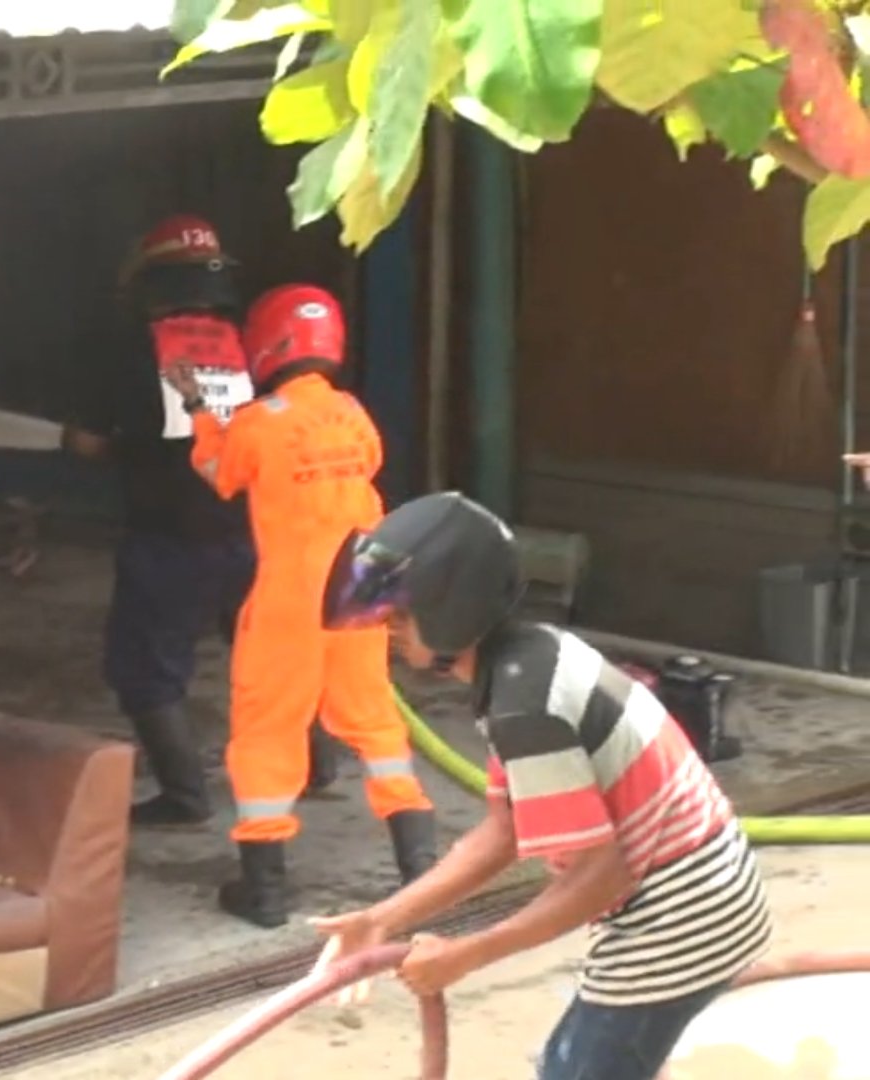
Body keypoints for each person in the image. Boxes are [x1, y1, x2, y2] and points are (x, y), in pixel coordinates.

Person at [314, 491, 773, 1080]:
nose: (388, 629)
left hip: (677, 922)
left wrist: (466, 954)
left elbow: (602, 874)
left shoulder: (525, 705)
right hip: (706, 898)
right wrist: (384, 918)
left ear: (453, 604)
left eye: (401, 614)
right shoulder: (531, 659)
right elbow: (507, 830)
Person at [62, 215, 339, 831]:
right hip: (255, 532)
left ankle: (185, 796)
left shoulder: (128, 349)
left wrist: (111, 445)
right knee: (274, 653)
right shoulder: (255, 345)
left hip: (170, 540)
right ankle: (318, 763)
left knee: (144, 668)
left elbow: (88, 442)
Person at [171, 284, 436, 927]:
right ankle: (422, 873)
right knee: (375, 722)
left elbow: (220, 472)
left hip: (295, 587)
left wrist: (198, 407)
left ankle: (264, 892)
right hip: (367, 575)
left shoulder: (260, 421)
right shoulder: (353, 412)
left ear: (269, 343)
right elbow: (367, 465)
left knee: (268, 728)